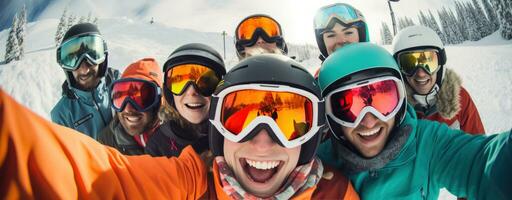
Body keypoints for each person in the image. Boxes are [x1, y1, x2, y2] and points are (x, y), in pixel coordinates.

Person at [0, 54, 360, 199]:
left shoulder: (335, 194)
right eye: (239, 117)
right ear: (217, 128)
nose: (263, 141)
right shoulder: (193, 180)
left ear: (312, 137)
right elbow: (91, 178)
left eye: (289, 120)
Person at [316, 42, 511, 199]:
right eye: (347, 106)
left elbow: (481, 164)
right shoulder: (318, 168)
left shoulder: (427, 142)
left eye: (383, 99)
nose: (369, 121)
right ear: (329, 116)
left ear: (401, 100)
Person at [392, 25, 485, 134]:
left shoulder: (459, 98)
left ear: (441, 63)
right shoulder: (395, 108)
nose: (421, 74)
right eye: (409, 64)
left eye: (429, 63)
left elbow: (479, 145)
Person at [145, 43, 226, 157]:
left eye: (206, 82)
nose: (192, 92)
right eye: (180, 83)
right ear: (169, 93)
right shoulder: (159, 146)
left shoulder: (233, 136)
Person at [51, 23, 120, 139]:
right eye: (73, 61)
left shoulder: (118, 84)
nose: (84, 70)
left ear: (102, 58)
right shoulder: (62, 114)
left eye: (92, 57)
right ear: (67, 68)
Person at [98, 58, 163, 155]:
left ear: (158, 102)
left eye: (140, 99)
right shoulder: (107, 143)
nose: (128, 109)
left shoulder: (176, 139)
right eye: (120, 98)